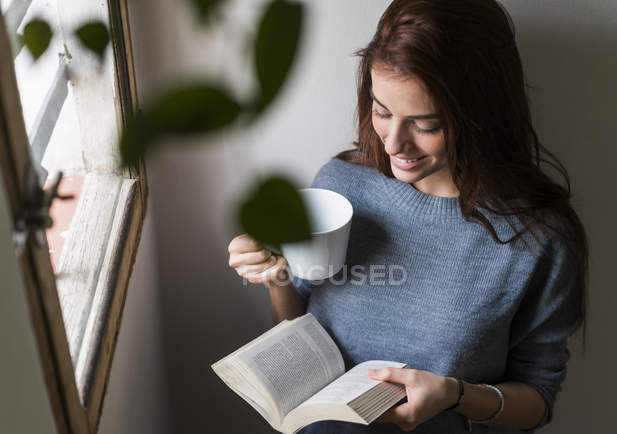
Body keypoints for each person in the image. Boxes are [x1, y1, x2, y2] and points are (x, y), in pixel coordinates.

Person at [227, 0, 588, 432]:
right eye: (382, 111)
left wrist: (456, 395)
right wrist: (275, 275)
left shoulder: (536, 239)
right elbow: (299, 335)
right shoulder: (341, 187)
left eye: (426, 124)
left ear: (480, 117)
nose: (394, 142)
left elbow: (537, 398)